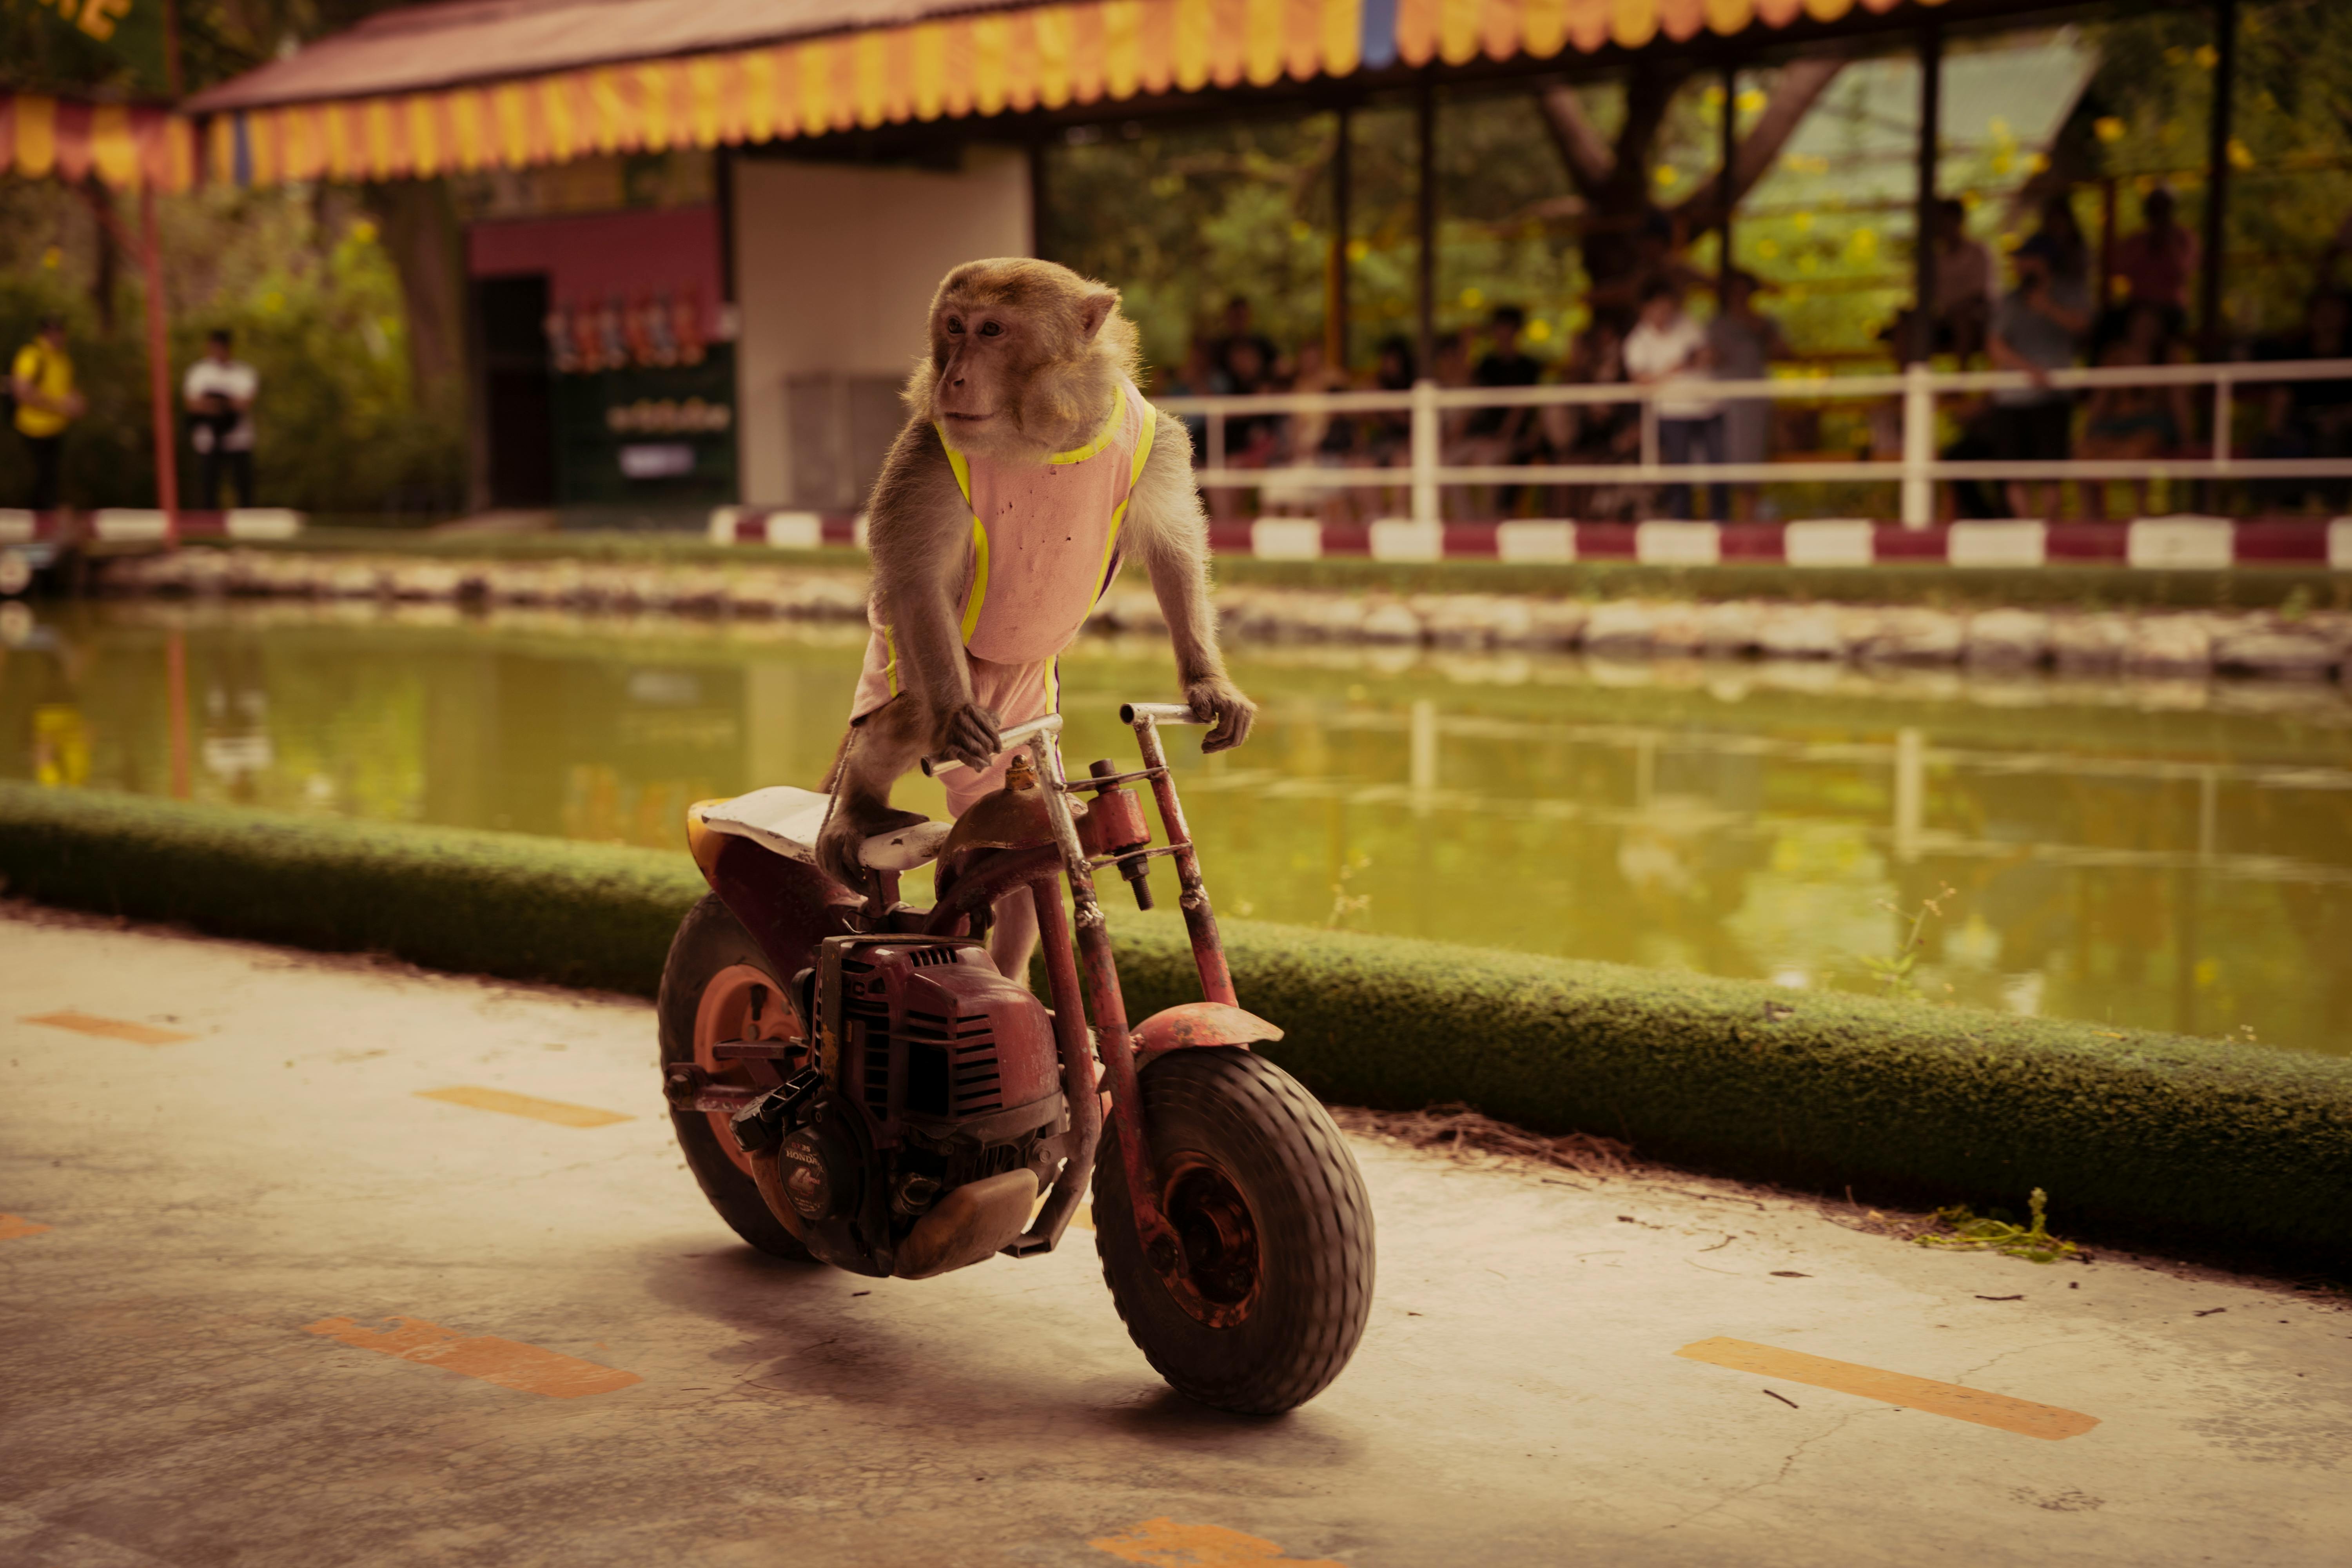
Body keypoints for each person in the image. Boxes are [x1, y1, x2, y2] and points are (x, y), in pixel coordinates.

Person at [1987, 231, 2093, 519]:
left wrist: (2047, 307)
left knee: (2051, 471)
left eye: (2025, 260)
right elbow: (1995, 345)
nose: (2019, 266)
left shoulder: (2070, 292)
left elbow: (2084, 327)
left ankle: (2051, 528)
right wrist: (2029, 370)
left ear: (2043, 262)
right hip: (2012, 399)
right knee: (2012, 471)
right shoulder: (2010, 301)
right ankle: (2024, 528)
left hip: (2053, 397)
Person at [2078, 302, 2194, 519]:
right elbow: (2100, 398)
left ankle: (2141, 510)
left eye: (2150, 323)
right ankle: (2092, 514)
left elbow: (2179, 398)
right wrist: (2089, 429)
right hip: (2116, 422)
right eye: (2140, 322)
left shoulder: (2169, 355)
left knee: (2139, 447)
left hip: (2152, 422)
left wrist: (2186, 434)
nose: (2145, 328)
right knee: (2085, 452)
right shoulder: (2115, 355)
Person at [1623, 279, 1722, 520]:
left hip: (1708, 407)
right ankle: (1682, 522)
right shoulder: (1637, 341)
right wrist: (1681, 366)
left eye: (1667, 306)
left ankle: (1722, 521)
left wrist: (1700, 359)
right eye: (1658, 307)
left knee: (1720, 470)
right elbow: (1641, 382)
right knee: (1679, 472)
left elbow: (1711, 355)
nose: (1664, 313)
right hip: (1672, 412)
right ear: (1645, 308)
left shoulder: (1687, 324)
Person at [1708, 272, 1791, 519]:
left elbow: (1785, 352)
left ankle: (1748, 521)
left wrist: (1763, 332)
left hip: (1753, 402)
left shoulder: (1764, 322)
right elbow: (1706, 358)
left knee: (1751, 461)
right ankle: (1721, 520)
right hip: (1721, 401)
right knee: (1721, 460)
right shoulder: (1716, 325)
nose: (1740, 296)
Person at [1453, 305, 1546, 519]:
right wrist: (1467, 344)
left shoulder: (1528, 366)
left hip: (1510, 438)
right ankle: (1466, 521)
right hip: (1481, 436)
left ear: (1516, 331)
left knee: (1485, 460)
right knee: (1446, 461)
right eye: (1498, 328)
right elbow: (1466, 389)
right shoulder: (1487, 364)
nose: (1502, 333)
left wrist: (1502, 438)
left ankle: (1490, 520)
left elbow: (1520, 411)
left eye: (1507, 327)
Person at [11, 315, 84, 512]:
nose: (58, 336)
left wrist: (77, 402)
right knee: (38, 482)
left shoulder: (63, 359)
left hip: (56, 430)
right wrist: (59, 406)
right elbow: (23, 391)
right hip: (32, 430)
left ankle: (48, 530)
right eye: (53, 332)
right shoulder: (32, 355)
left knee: (52, 483)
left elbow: (66, 388)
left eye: (61, 332)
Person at [183, 329, 260, 509]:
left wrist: (212, 402)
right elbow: (193, 405)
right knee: (208, 486)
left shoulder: (243, 372)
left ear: (229, 348)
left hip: (239, 440)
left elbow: (244, 404)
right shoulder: (199, 372)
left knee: (244, 485)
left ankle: (247, 520)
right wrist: (226, 403)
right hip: (208, 440)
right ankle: (208, 523)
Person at [2109, 187, 2198, 335]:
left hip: (2171, 307)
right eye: (2155, 209)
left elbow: (2182, 273)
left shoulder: (2184, 239)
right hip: (2137, 304)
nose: (2158, 215)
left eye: (2162, 209)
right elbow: (2118, 268)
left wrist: (2168, 244)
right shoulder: (2137, 240)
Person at [1930, 197, 1998, 363]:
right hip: (1945, 320)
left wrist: (1955, 308)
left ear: (1959, 222)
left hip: (1975, 319)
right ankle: (1910, 383)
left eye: (1947, 222)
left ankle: (1959, 384)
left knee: (1962, 320)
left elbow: (1980, 295)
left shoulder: (1979, 253)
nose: (1943, 228)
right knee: (1908, 326)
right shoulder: (1935, 260)